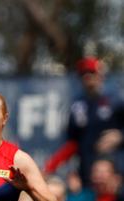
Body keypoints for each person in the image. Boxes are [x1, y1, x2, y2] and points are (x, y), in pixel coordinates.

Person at [45, 56, 124, 185]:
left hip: (115, 173)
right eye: (84, 74)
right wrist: (52, 166)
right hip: (88, 172)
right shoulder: (77, 106)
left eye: (92, 73)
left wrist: (120, 136)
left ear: (101, 75)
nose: (88, 77)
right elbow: (72, 143)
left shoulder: (116, 100)